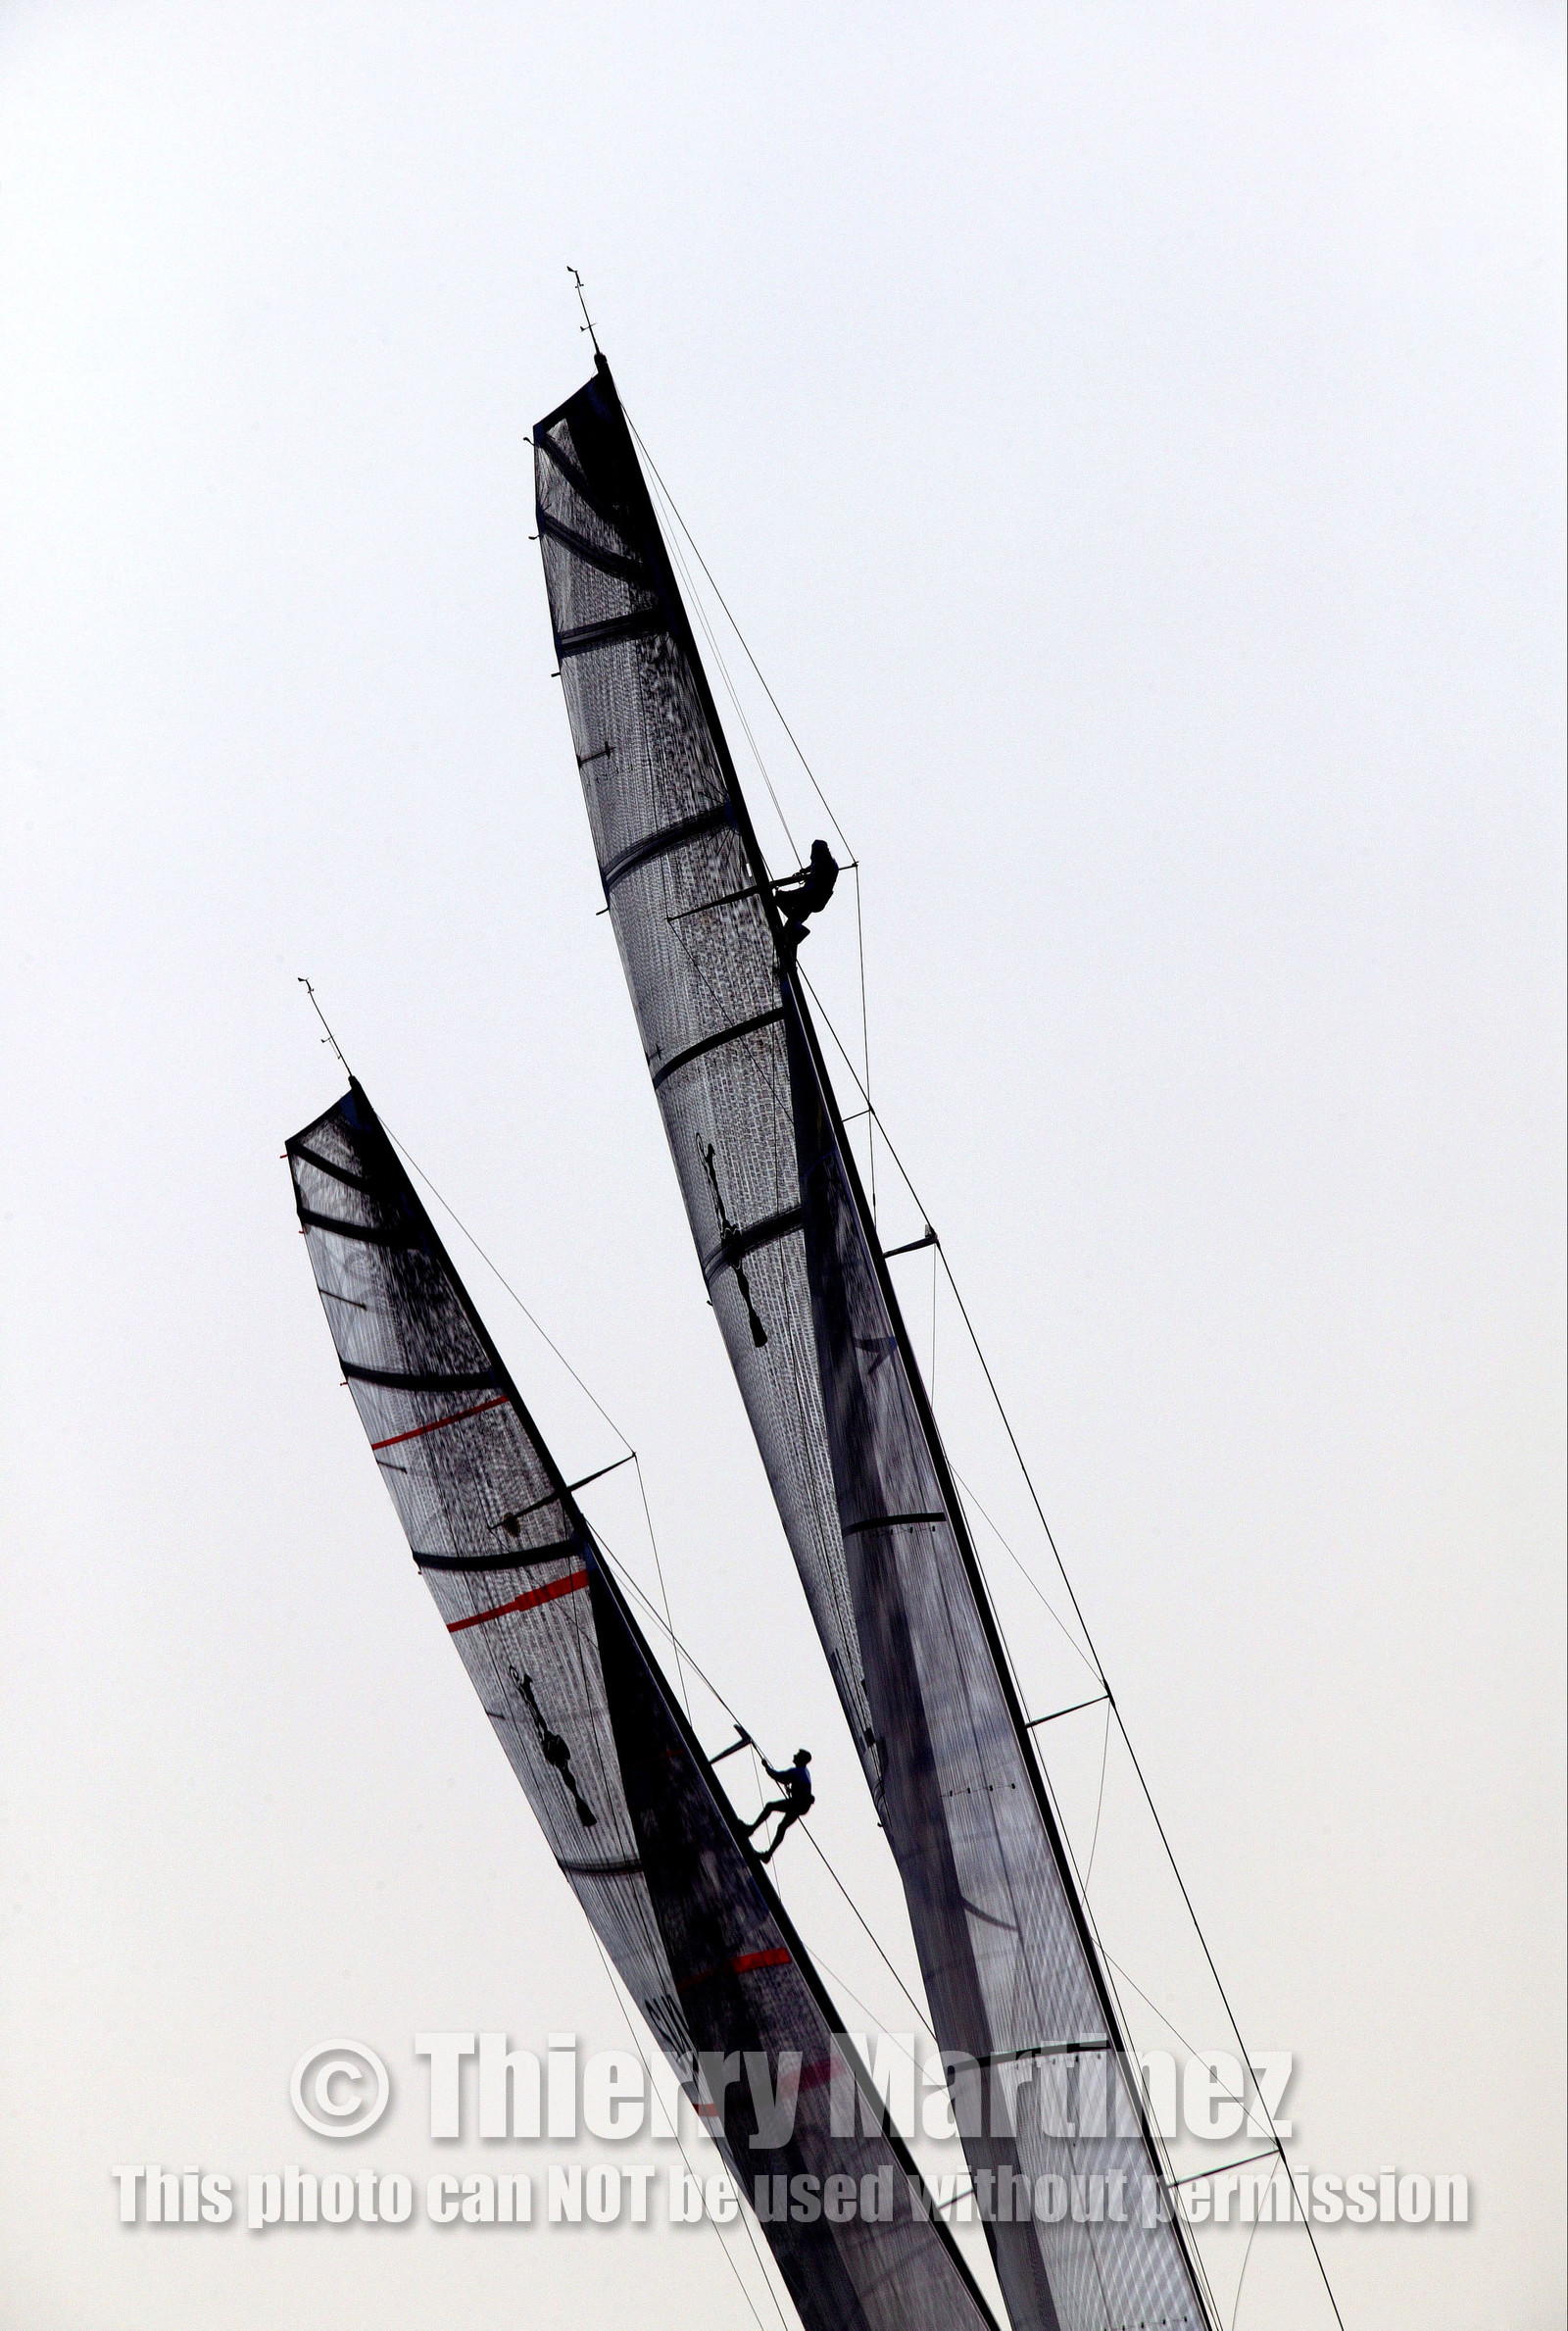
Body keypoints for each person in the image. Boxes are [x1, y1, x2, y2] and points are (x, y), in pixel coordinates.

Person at [744, 1744, 814, 1863]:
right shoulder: (805, 1772)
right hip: (802, 1805)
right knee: (782, 1827)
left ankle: (751, 1829)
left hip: (798, 1803)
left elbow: (778, 1776)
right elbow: (797, 1785)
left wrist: (766, 1767)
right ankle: (768, 1854)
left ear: (801, 1759)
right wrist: (792, 1789)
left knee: (770, 1806)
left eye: (797, 1755)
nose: (794, 1755)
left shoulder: (797, 1771)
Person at [772, 839, 839, 950]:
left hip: (812, 898)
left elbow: (811, 889)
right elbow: (814, 865)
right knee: (791, 927)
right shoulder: (825, 859)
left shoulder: (824, 865)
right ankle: (795, 933)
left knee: (779, 898)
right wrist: (805, 871)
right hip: (817, 900)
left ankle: (799, 929)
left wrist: (788, 894)